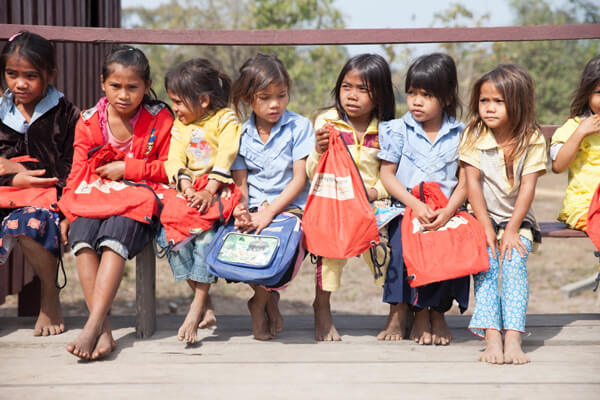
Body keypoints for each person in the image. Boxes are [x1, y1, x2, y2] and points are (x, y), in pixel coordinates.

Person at [60, 46, 173, 360]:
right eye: (116, 86)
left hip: (137, 198)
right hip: (93, 197)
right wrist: (67, 211)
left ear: (147, 86)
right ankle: (105, 330)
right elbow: (78, 171)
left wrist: (129, 169)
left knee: (114, 238)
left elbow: (171, 167)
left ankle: (92, 323)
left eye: (132, 87)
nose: (123, 95)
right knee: (82, 237)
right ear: (102, 83)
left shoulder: (159, 117)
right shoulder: (89, 121)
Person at [377, 53, 468, 345]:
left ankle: (436, 312)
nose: (416, 101)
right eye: (412, 93)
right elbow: (387, 175)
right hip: (406, 208)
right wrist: (414, 205)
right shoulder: (397, 130)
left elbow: (465, 181)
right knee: (402, 247)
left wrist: (449, 212)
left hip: (447, 210)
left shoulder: (460, 134)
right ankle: (400, 309)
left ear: (447, 98)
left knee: (450, 246)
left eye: (427, 95)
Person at [460, 64, 547, 364]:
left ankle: (513, 337)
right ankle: (491, 337)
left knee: (513, 261)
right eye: (484, 101)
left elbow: (528, 188)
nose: (490, 108)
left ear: (518, 103)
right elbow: (472, 183)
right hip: (481, 215)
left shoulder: (532, 137)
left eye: (499, 101)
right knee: (485, 265)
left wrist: (511, 230)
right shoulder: (473, 133)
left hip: (517, 219)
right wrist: (485, 226)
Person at [307, 54, 395, 341]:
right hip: (336, 201)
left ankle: (397, 309)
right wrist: (319, 152)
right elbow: (311, 172)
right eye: (347, 86)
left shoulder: (387, 129)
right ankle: (322, 306)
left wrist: (372, 193)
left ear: (380, 95)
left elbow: (392, 176)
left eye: (363, 89)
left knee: (385, 248)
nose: (352, 95)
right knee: (329, 247)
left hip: (373, 202)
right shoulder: (328, 122)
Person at [0, 31, 79, 336]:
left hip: (44, 202)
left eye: (31, 76)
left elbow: (73, 166)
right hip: (4, 195)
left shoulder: (66, 115)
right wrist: (11, 176)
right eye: (11, 74)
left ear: (50, 75)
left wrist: (24, 175)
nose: (20, 83)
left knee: (30, 224)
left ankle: (49, 295)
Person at [157, 58, 241, 344]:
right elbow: (175, 156)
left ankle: (197, 306)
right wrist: (185, 183)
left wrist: (210, 188)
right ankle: (202, 300)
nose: (176, 109)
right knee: (169, 236)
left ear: (203, 100)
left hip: (218, 190)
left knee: (205, 239)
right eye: (173, 102)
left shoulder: (225, 119)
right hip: (188, 190)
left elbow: (227, 153)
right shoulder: (181, 125)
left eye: (179, 102)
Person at [231, 53, 313, 340]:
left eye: (281, 95)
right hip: (254, 205)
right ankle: (268, 298)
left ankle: (259, 303)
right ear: (247, 98)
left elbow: (299, 179)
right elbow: (241, 185)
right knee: (248, 239)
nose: (275, 104)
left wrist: (270, 212)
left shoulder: (299, 127)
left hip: (290, 206)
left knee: (282, 239)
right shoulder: (240, 134)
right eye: (265, 97)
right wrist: (242, 210)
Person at [551, 56, 600, 231]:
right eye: (599, 93)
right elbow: (558, 166)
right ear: (587, 94)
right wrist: (580, 133)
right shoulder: (574, 127)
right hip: (584, 207)